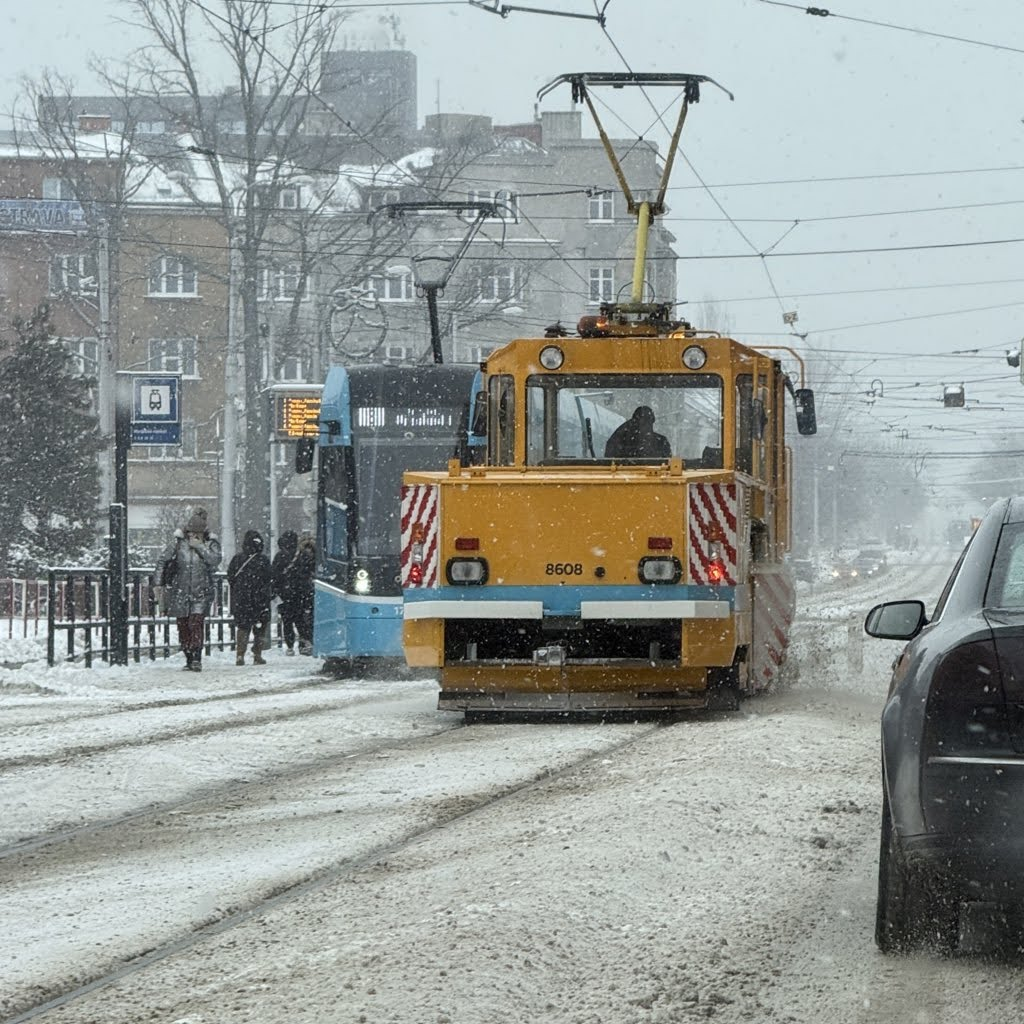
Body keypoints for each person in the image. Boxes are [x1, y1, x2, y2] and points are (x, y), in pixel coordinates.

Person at [155, 508, 222, 672]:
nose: (195, 535)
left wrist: (200, 547)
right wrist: (158, 584)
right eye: (192, 532)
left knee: (196, 623)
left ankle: (197, 657)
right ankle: (188, 656)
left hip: (201, 591)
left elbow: (215, 560)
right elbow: (162, 561)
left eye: (198, 533)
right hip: (180, 591)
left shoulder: (210, 544)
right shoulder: (178, 544)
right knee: (183, 625)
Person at [226, 529, 272, 667]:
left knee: (243, 627)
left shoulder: (237, 559)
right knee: (260, 627)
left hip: (241, 599)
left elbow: (230, 577)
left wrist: (240, 589)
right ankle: (257, 654)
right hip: (260, 599)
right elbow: (269, 578)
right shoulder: (263, 560)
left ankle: (240, 654)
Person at [272, 531, 301, 656]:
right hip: (299, 593)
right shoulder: (300, 555)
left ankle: (290, 645)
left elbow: (274, 575)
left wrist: (276, 591)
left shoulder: (280, 556)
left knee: (287, 621)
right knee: (301, 620)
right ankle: (304, 642)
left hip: (284, 594)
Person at [603, 405, 671, 460]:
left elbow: (669, 467)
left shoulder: (661, 442)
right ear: (635, 423)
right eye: (643, 423)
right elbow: (610, 463)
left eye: (649, 422)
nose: (647, 426)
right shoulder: (622, 440)